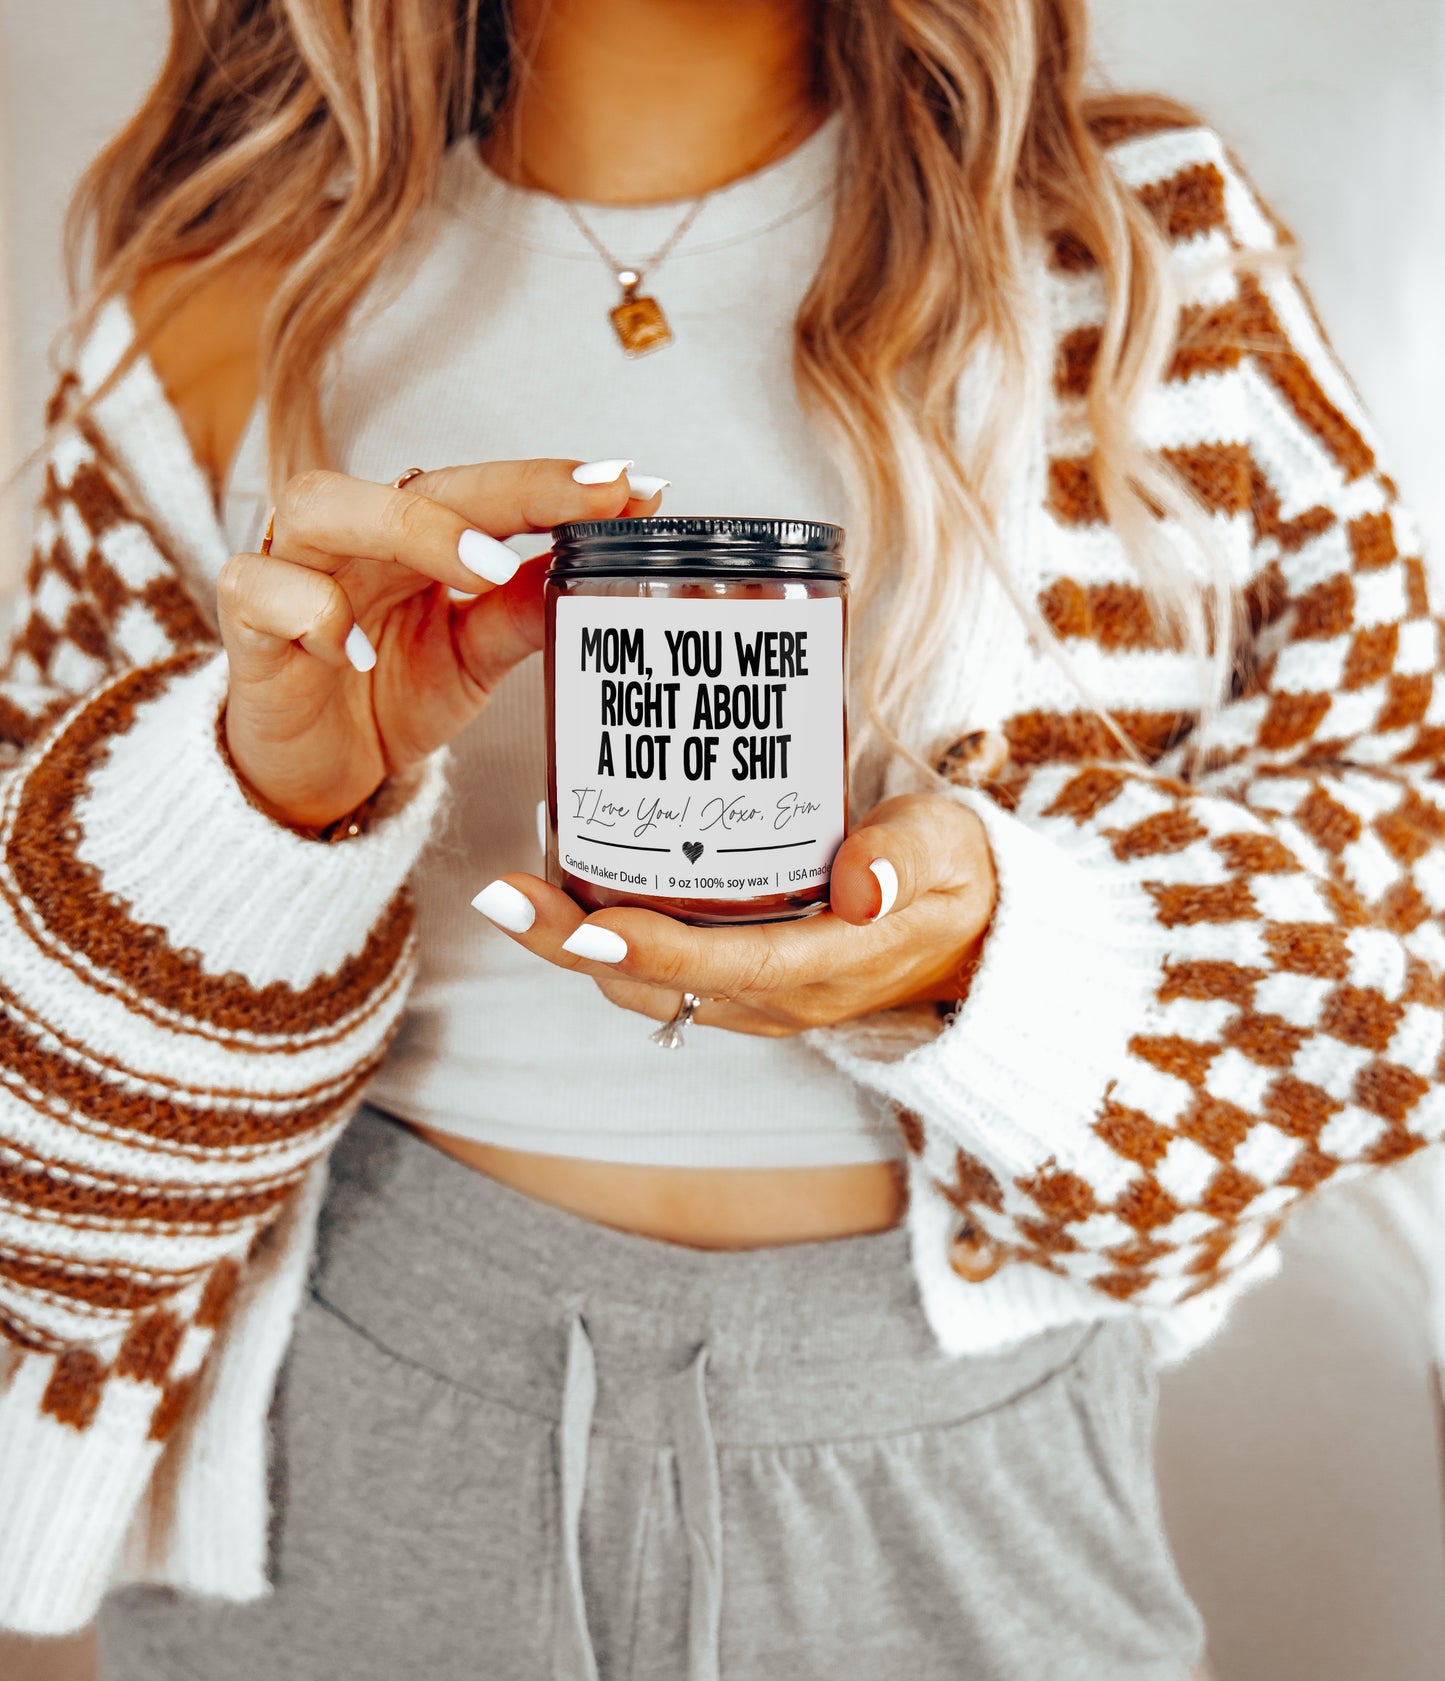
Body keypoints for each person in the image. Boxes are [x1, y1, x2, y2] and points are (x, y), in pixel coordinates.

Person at [0, 0, 1439, 1675]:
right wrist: (250, 808)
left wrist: (1003, 957)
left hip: (957, 1458)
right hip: (350, 1444)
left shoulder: (1136, 256)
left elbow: (1406, 900)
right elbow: (43, 1206)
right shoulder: (208, 308)